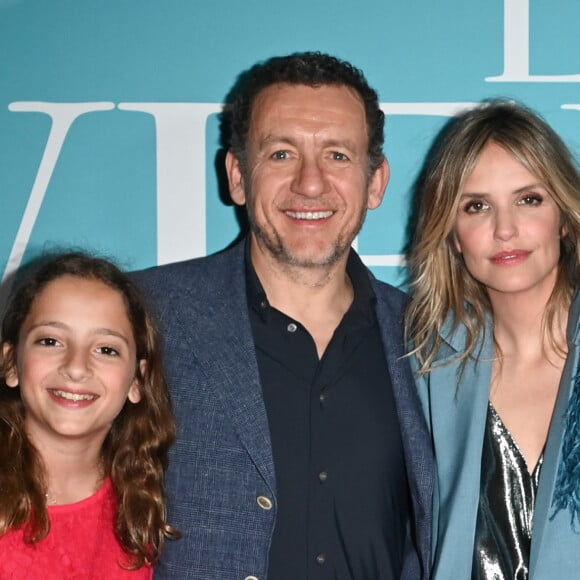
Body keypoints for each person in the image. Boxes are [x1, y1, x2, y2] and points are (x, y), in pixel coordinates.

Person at [136, 52, 433, 580]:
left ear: (376, 182)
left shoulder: (432, 340)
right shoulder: (146, 315)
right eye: (280, 154)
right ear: (237, 176)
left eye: (338, 156)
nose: (311, 184)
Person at [406, 99, 580, 579]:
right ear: (454, 235)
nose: (505, 230)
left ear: (563, 217)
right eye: (477, 206)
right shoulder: (424, 371)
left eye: (529, 200)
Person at [0, 252, 179, 579]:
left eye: (106, 349)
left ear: (137, 380)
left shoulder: (140, 508)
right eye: (50, 341)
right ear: (11, 363)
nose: (76, 366)